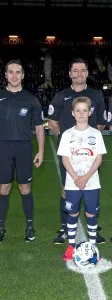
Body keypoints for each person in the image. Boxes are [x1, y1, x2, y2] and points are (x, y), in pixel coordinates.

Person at [47, 58, 106, 245]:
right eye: (75, 70)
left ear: (87, 73)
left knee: (91, 190)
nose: (79, 73)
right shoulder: (61, 95)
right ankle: (65, 229)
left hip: (89, 154)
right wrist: (66, 139)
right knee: (67, 190)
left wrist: (89, 139)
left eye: (83, 70)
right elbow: (52, 121)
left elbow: (101, 122)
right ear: (70, 74)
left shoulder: (96, 95)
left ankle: (93, 231)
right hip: (70, 154)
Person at [0, 59, 45, 243]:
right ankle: (1, 227)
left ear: (22, 75)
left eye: (17, 72)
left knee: (24, 188)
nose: (14, 75)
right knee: (3, 188)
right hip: (3, 147)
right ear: (5, 75)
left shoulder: (31, 99)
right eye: (10, 72)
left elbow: (39, 126)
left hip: (24, 147)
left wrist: (41, 150)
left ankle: (29, 227)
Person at [57, 96, 106, 261]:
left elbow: (98, 158)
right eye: (78, 110)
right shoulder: (67, 134)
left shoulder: (96, 134)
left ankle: (92, 246)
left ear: (90, 112)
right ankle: (71, 246)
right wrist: (77, 177)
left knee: (91, 214)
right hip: (72, 183)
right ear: (72, 113)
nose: (81, 113)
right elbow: (65, 159)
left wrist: (85, 177)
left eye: (85, 110)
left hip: (91, 183)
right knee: (73, 213)